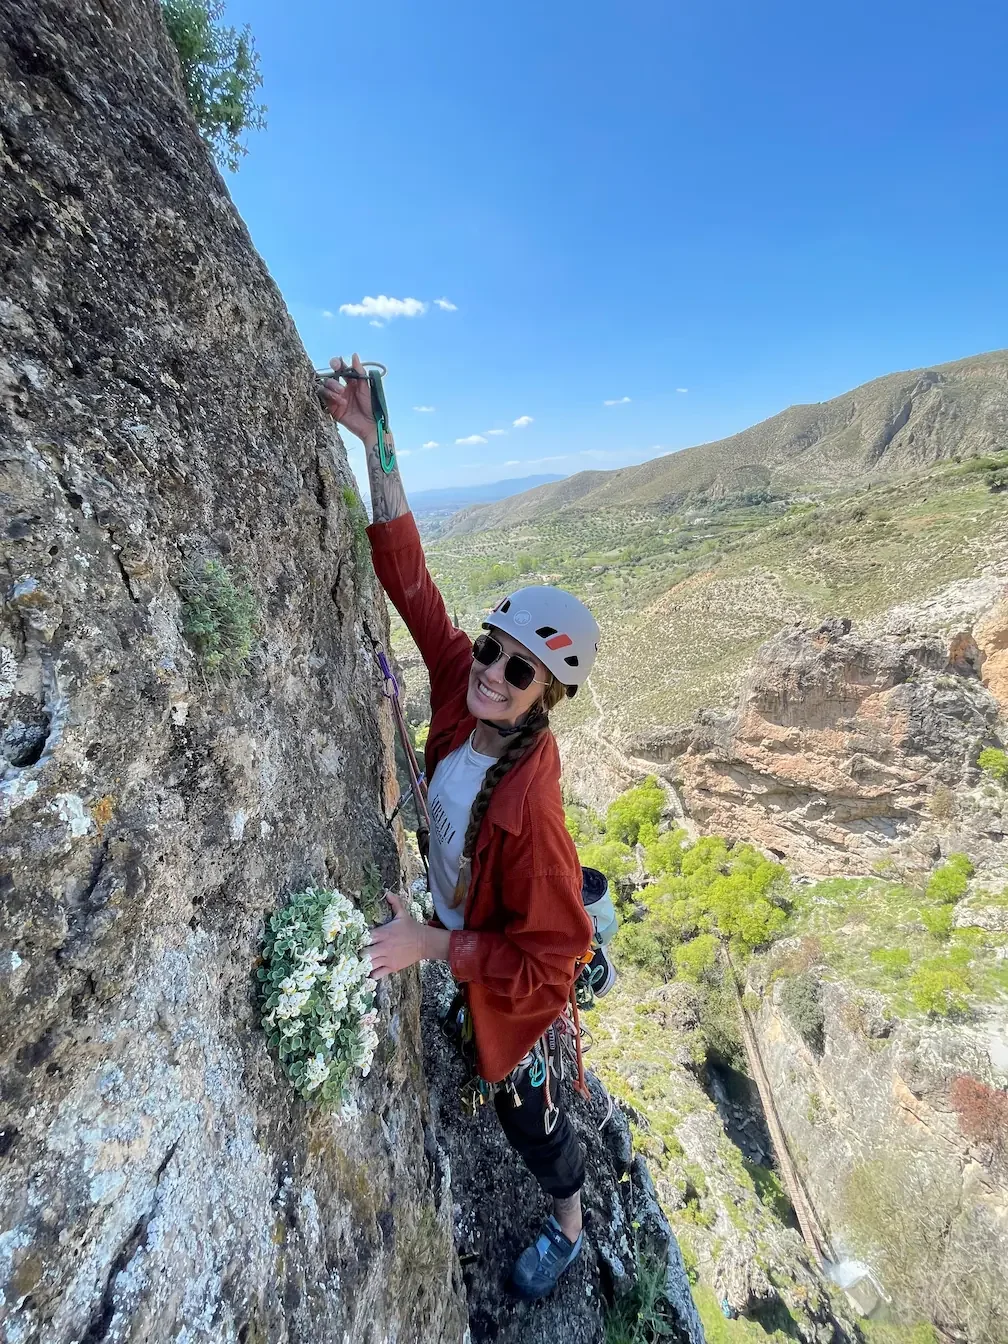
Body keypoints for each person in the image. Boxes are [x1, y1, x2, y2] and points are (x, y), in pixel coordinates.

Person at [321, 355, 601, 1300]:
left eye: (519, 671)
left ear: (546, 699)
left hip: (517, 990)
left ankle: (570, 1229)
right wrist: (376, 441)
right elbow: (409, 579)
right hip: (465, 920)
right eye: (491, 647)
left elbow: (546, 963)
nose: (491, 671)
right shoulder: (457, 689)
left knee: (533, 1122)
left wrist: (432, 945)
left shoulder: (530, 819)